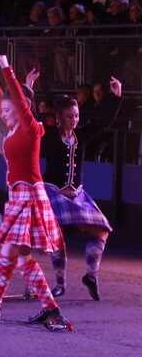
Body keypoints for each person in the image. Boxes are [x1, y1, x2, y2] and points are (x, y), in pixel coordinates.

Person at [0, 53, 70, 330]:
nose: (3, 114)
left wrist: (6, 68)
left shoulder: (31, 130)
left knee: (10, 253)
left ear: (22, 110)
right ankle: (49, 308)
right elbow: (3, 102)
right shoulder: (14, 127)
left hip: (29, 197)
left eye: (9, 111)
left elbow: (17, 99)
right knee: (19, 257)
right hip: (18, 198)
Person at [40, 78, 122, 301]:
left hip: (77, 195)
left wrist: (115, 96)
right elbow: (28, 119)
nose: (74, 120)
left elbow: (104, 121)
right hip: (54, 193)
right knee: (56, 238)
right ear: (58, 117)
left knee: (101, 230)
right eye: (69, 116)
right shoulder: (48, 136)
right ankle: (59, 283)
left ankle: (91, 276)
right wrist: (28, 86)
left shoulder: (81, 136)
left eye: (76, 116)